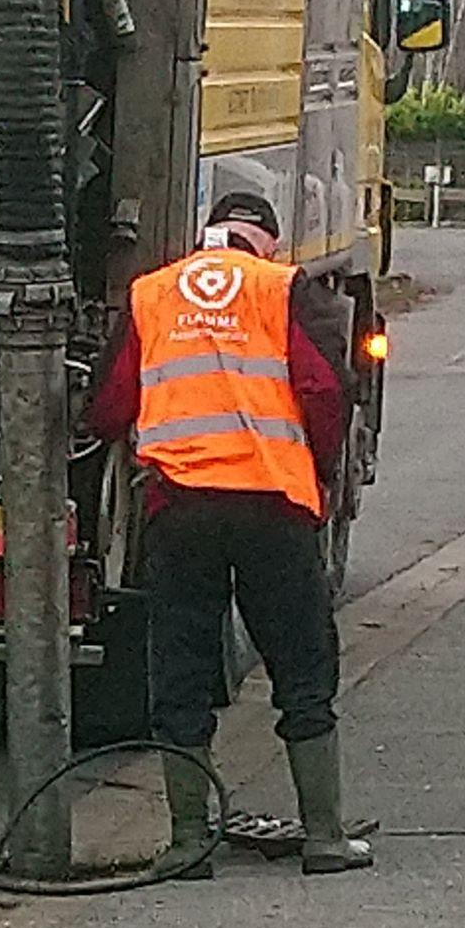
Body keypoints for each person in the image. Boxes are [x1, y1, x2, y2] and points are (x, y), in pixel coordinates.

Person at [87, 190, 373, 877]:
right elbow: (325, 390)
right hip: (273, 506)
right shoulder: (283, 288)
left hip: (181, 509)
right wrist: (323, 472)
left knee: (181, 671)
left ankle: (189, 842)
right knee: (303, 667)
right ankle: (325, 838)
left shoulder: (152, 294)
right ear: (265, 242)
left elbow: (107, 405)